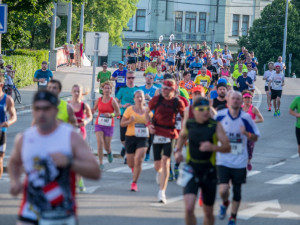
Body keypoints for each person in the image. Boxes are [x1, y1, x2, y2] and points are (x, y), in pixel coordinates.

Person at [8, 90, 101, 225]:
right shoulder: (24, 138)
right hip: (30, 211)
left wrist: (70, 162)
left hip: (60, 213)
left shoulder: (71, 137)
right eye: (37, 109)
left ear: (55, 110)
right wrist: (15, 181)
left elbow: (95, 171)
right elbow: (14, 163)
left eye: (46, 109)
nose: (41, 113)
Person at [175, 97, 230, 225]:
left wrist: (212, 147)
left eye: (207, 109)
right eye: (202, 109)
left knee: (208, 212)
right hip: (191, 169)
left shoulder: (215, 125)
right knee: (188, 209)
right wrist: (177, 151)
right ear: (194, 111)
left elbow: (227, 147)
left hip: (209, 170)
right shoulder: (189, 124)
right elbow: (182, 136)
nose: (205, 112)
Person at [216, 91, 260, 225]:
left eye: (238, 99)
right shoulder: (220, 116)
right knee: (223, 189)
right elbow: (209, 132)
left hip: (240, 161)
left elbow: (256, 137)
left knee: (237, 191)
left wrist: (246, 133)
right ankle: (224, 203)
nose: (235, 101)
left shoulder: (246, 118)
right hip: (223, 160)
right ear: (228, 101)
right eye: (233, 98)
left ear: (241, 103)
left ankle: (233, 217)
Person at [146, 79, 185, 203]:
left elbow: (184, 117)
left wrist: (184, 130)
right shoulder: (156, 99)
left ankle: (162, 192)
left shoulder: (177, 102)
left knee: (166, 161)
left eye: (167, 88)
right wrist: (148, 125)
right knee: (158, 165)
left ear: (173, 90)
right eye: (163, 88)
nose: (164, 90)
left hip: (170, 133)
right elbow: (146, 112)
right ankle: (159, 173)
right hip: (157, 132)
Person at [121, 90, 152, 191]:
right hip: (130, 137)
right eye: (137, 97)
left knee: (138, 159)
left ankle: (134, 183)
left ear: (144, 99)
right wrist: (129, 121)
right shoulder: (129, 110)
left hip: (143, 138)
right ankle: (134, 169)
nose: (139, 99)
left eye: (141, 97)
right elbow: (122, 123)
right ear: (134, 99)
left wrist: (149, 124)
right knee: (131, 163)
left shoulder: (148, 111)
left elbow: (151, 123)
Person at [69, 84, 93, 191]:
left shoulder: (84, 105)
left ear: (81, 93)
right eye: (75, 91)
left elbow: (90, 116)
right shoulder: (67, 105)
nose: (76, 93)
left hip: (80, 133)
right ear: (71, 92)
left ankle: (79, 180)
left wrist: (86, 121)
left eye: (78, 91)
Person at [93, 81, 120, 170]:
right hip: (99, 124)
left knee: (106, 146)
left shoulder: (113, 101)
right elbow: (93, 110)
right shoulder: (99, 100)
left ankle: (109, 152)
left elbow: (118, 113)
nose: (107, 90)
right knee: (99, 144)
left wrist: (111, 115)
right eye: (105, 88)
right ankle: (100, 163)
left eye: (109, 88)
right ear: (102, 90)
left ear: (111, 90)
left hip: (109, 125)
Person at [116, 71, 138, 162]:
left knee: (132, 136)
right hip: (124, 115)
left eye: (132, 78)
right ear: (126, 78)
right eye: (129, 78)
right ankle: (125, 147)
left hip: (134, 116)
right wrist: (122, 106)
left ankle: (127, 156)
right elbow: (116, 102)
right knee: (123, 138)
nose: (131, 80)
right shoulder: (122, 89)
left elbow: (142, 102)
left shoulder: (137, 89)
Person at [241, 91, 264, 171]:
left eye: (249, 98)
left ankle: (248, 161)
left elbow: (261, 119)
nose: (247, 100)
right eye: (245, 98)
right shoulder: (240, 108)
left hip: (251, 132)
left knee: (249, 148)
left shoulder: (254, 108)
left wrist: (253, 121)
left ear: (251, 99)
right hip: (241, 132)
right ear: (243, 99)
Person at [0, 76, 17, 179]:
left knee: (0, 160)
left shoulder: (8, 99)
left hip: (2, 132)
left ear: (1, 85)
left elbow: (14, 116)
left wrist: (8, 122)